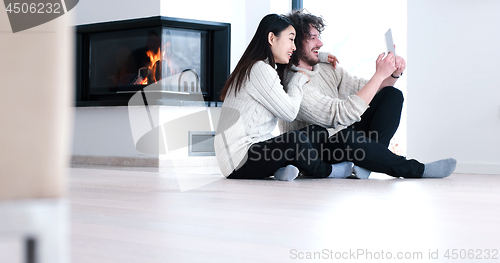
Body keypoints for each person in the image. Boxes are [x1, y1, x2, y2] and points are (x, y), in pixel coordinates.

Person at [279, 10, 456, 179]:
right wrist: (379, 74)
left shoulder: (326, 68)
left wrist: (392, 73)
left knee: (391, 95)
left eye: (319, 37)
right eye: (313, 38)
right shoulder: (294, 83)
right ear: (295, 42)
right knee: (346, 137)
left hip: (341, 138)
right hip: (316, 149)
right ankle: (416, 169)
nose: (320, 43)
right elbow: (339, 115)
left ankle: (367, 163)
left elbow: (367, 90)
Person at [214, 14, 354, 181]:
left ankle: (280, 169)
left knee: (317, 132)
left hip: (249, 153)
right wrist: (298, 81)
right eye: (290, 39)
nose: (293, 47)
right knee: (295, 139)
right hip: (239, 160)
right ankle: (328, 171)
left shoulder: (260, 66)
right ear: (272, 38)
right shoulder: (260, 69)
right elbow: (290, 112)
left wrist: (320, 56)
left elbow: (293, 61)